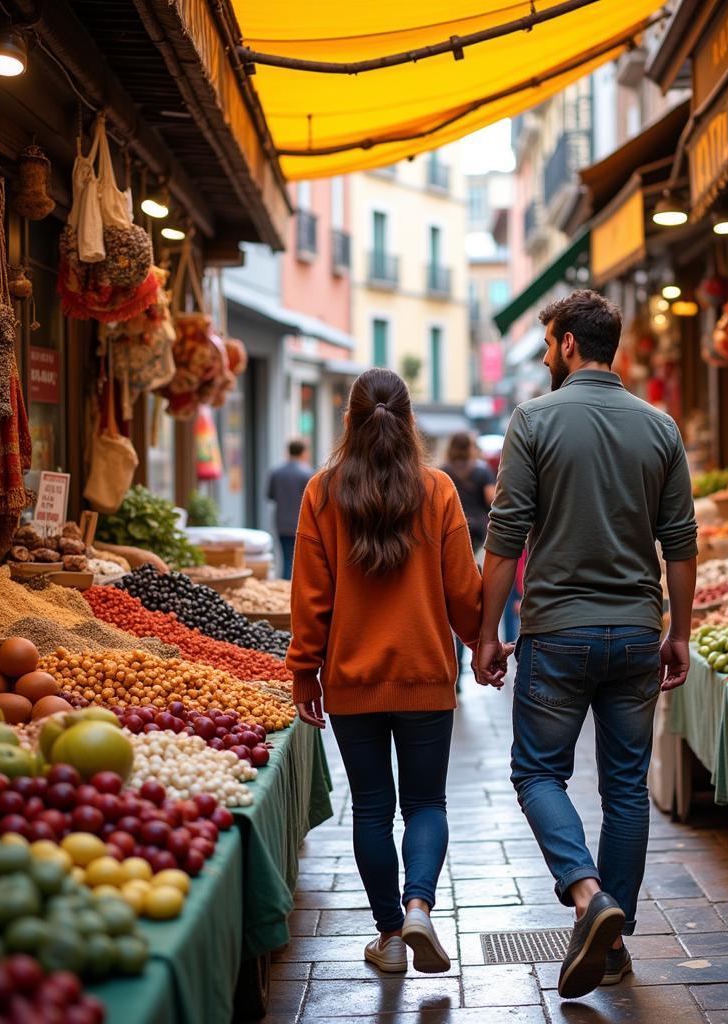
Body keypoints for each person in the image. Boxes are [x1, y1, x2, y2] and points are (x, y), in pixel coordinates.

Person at [474, 290, 698, 1000]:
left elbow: (505, 537)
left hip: (556, 634)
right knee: (627, 787)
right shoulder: (659, 426)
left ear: (569, 344)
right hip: (636, 631)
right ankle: (615, 938)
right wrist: (681, 631)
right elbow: (682, 544)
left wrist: (487, 632)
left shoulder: (534, 419)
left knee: (538, 774)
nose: (544, 356)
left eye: (547, 344)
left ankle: (587, 897)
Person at [286, 368, 511, 976]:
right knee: (425, 803)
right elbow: (464, 590)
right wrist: (483, 642)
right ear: (410, 422)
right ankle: (418, 907)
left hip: (351, 679)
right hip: (425, 674)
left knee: (370, 809)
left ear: (347, 421)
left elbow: (311, 597)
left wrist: (305, 669)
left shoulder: (322, 493)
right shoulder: (437, 490)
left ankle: (389, 936)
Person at [440, 433, 496, 678]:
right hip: (478, 535)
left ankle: (451, 662)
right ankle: (468, 654)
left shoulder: (444, 472)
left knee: (446, 597)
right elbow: (492, 500)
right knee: (466, 592)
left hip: (449, 534)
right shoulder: (481, 471)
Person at [267, 439, 314, 580]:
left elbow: (270, 495)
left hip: (281, 522)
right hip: (301, 523)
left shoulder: (276, 472)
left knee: (286, 557)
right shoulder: (308, 474)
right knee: (297, 561)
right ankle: (290, 590)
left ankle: (284, 586)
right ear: (304, 453)